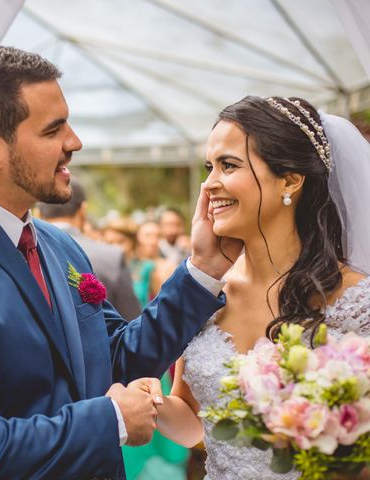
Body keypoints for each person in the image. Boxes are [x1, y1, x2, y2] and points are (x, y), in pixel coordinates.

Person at [0, 46, 240, 480]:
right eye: (53, 130)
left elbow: (113, 359)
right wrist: (111, 421)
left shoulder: (55, 245)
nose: (74, 142)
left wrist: (202, 270)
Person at [153, 96, 370, 479]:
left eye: (228, 165)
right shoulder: (204, 291)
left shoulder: (356, 303)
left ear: (289, 179)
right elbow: (191, 422)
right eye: (209, 167)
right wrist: (148, 401)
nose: (208, 185)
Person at [37, 179, 142, 319]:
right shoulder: (111, 257)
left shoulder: (25, 253)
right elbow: (131, 319)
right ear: (83, 210)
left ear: (38, 213)